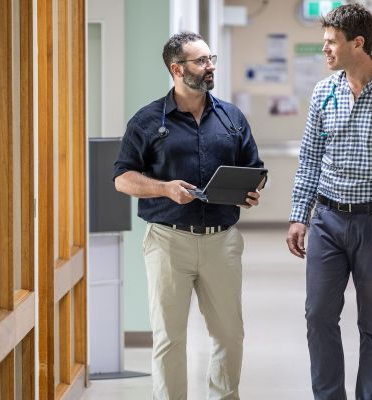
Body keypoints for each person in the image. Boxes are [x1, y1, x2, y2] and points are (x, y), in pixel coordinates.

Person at [113, 32, 264, 400]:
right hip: (168, 241)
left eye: (211, 58)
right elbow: (122, 178)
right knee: (169, 338)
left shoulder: (232, 118)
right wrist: (165, 188)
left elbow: (253, 167)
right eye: (201, 61)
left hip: (222, 241)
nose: (210, 66)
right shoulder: (147, 121)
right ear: (176, 69)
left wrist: (250, 192)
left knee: (229, 334)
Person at [286, 4, 372, 400]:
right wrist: (300, 216)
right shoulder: (324, 92)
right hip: (327, 219)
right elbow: (310, 157)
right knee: (318, 317)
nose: (324, 49)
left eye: (331, 42)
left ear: (357, 43)